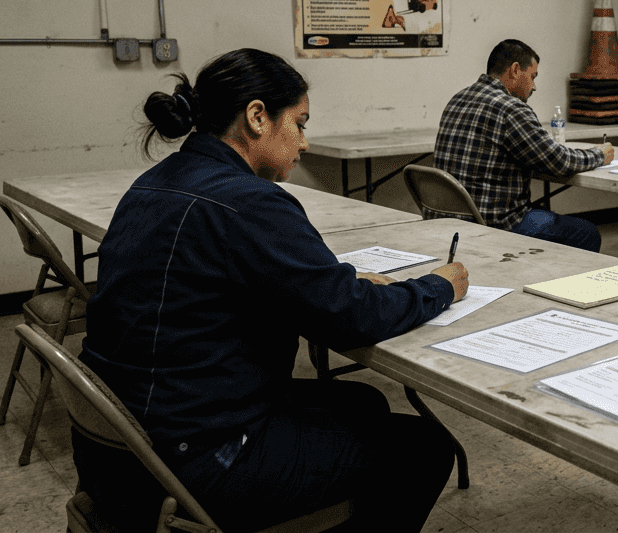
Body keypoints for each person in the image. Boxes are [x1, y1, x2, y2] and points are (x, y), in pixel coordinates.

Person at [77, 49, 468, 533]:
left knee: (361, 402)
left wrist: (335, 283)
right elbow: (353, 319)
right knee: (422, 447)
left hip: (121, 445)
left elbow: (244, 282)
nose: (304, 142)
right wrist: (438, 287)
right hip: (193, 461)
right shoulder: (252, 202)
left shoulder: (153, 184)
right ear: (258, 117)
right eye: (300, 123)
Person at [433, 39, 612, 251]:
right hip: (492, 226)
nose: (534, 86)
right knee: (585, 232)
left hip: (445, 222)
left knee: (540, 211)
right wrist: (599, 154)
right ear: (516, 70)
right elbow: (560, 162)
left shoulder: (458, 99)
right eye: (533, 76)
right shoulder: (511, 108)